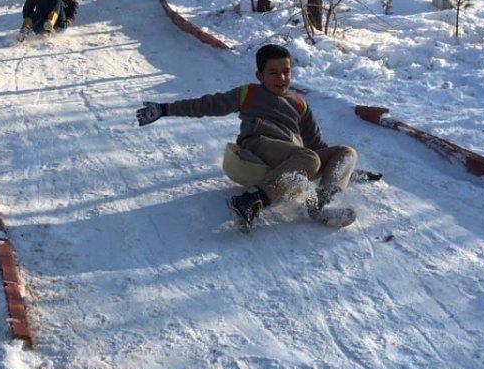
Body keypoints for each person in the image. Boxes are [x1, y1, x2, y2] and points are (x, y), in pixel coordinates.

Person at [135, 43, 357, 231]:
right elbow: (207, 104)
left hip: (293, 156)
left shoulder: (299, 103)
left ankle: (321, 205)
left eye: (286, 71)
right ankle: (251, 201)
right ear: (260, 76)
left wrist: (344, 169)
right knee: (309, 158)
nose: (281, 78)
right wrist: (165, 109)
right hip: (258, 145)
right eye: (273, 72)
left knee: (346, 152)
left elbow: (317, 145)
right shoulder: (250, 93)